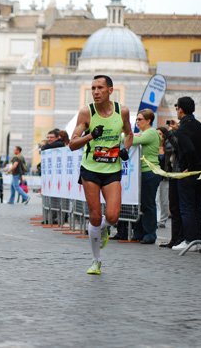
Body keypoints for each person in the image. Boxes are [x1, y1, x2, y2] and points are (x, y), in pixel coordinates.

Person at [69, 75, 133, 275]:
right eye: (93, 88)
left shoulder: (121, 111)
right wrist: (90, 136)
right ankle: (96, 260)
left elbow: (129, 134)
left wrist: (126, 150)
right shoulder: (86, 113)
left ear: (110, 90)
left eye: (100, 88)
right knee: (95, 217)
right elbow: (72, 144)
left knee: (112, 217)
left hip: (112, 169)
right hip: (90, 170)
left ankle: (104, 228)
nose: (95, 92)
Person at [168, 97, 201, 252]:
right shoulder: (198, 125)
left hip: (187, 173)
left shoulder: (184, 128)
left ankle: (189, 240)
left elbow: (189, 149)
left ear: (181, 110)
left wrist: (189, 167)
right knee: (197, 206)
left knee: (186, 207)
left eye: (177, 108)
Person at [131, 109, 162, 244]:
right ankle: (139, 232)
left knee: (148, 204)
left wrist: (128, 136)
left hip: (150, 172)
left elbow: (130, 141)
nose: (137, 122)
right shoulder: (143, 133)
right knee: (141, 204)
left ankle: (150, 234)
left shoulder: (151, 132)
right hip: (142, 172)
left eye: (140, 119)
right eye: (137, 119)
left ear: (148, 121)